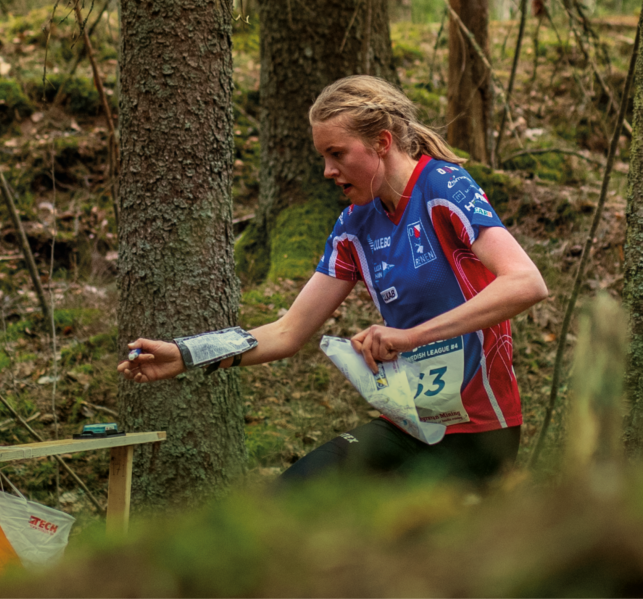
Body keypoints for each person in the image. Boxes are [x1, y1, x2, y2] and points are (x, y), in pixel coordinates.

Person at [117, 75, 550, 485]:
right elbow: (286, 332)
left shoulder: (442, 186)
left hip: (479, 433)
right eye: (323, 157)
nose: (327, 170)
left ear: (382, 143)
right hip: (410, 426)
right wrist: (188, 354)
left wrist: (411, 337)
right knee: (290, 496)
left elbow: (526, 282)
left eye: (337, 154)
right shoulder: (354, 225)